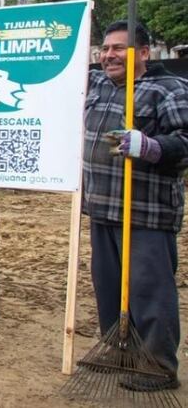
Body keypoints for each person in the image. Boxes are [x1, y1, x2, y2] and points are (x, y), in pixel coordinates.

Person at [82, 20, 188, 392]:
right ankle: (119, 348)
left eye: (119, 49)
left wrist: (151, 147)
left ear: (144, 53)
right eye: (105, 49)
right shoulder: (96, 86)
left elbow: (185, 141)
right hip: (102, 205)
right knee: (108, 285)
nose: (108, 55)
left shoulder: (169, 89)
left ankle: (158, 364)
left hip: (145, 210)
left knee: (148, 288)